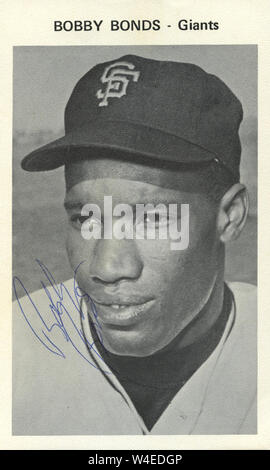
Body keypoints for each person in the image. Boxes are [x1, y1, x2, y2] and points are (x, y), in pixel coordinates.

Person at [12, 54, 256, 435]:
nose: (106, 268)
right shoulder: (15, 346)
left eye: (153, 218)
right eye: (85, 219)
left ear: (230, 215)